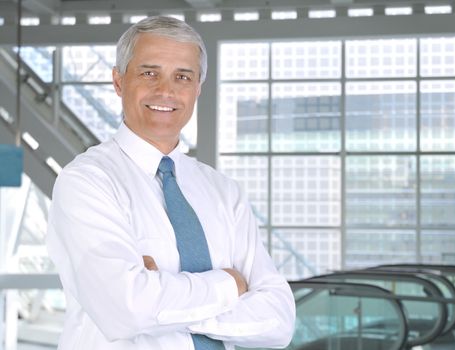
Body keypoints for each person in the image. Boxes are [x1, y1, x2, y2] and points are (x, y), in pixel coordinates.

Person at [46, 15, 295, 349]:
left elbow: (278, 321)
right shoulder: (87, 182)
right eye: (149, 73)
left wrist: (162, 300)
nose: (166, 90)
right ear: (119, 82)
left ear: (197, 88)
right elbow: (126, 309)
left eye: (183, 76)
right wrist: (229, 285)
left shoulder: (224, 192)